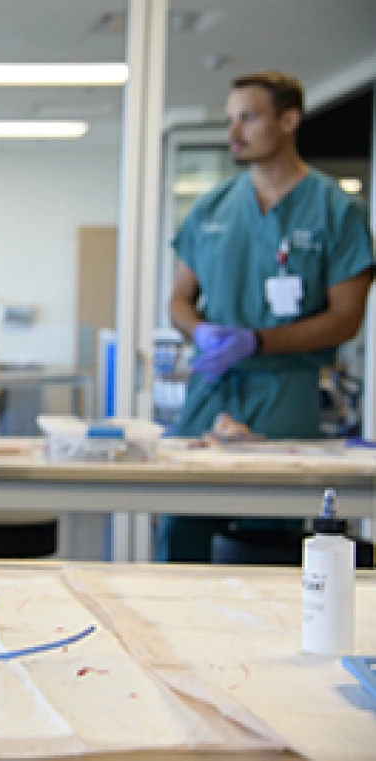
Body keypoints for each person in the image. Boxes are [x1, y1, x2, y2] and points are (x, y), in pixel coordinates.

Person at [162, 71, 374, 562]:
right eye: (230, 119)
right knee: (181, 527)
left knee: (265, 542)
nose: (233, 132)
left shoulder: (336, 210)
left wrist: (258, 341)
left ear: (289, 120)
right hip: (210, 390)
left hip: (285, 391)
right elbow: (179, 301)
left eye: (249, 118)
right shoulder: (212, 207)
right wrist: (203, 332)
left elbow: (346, 319)